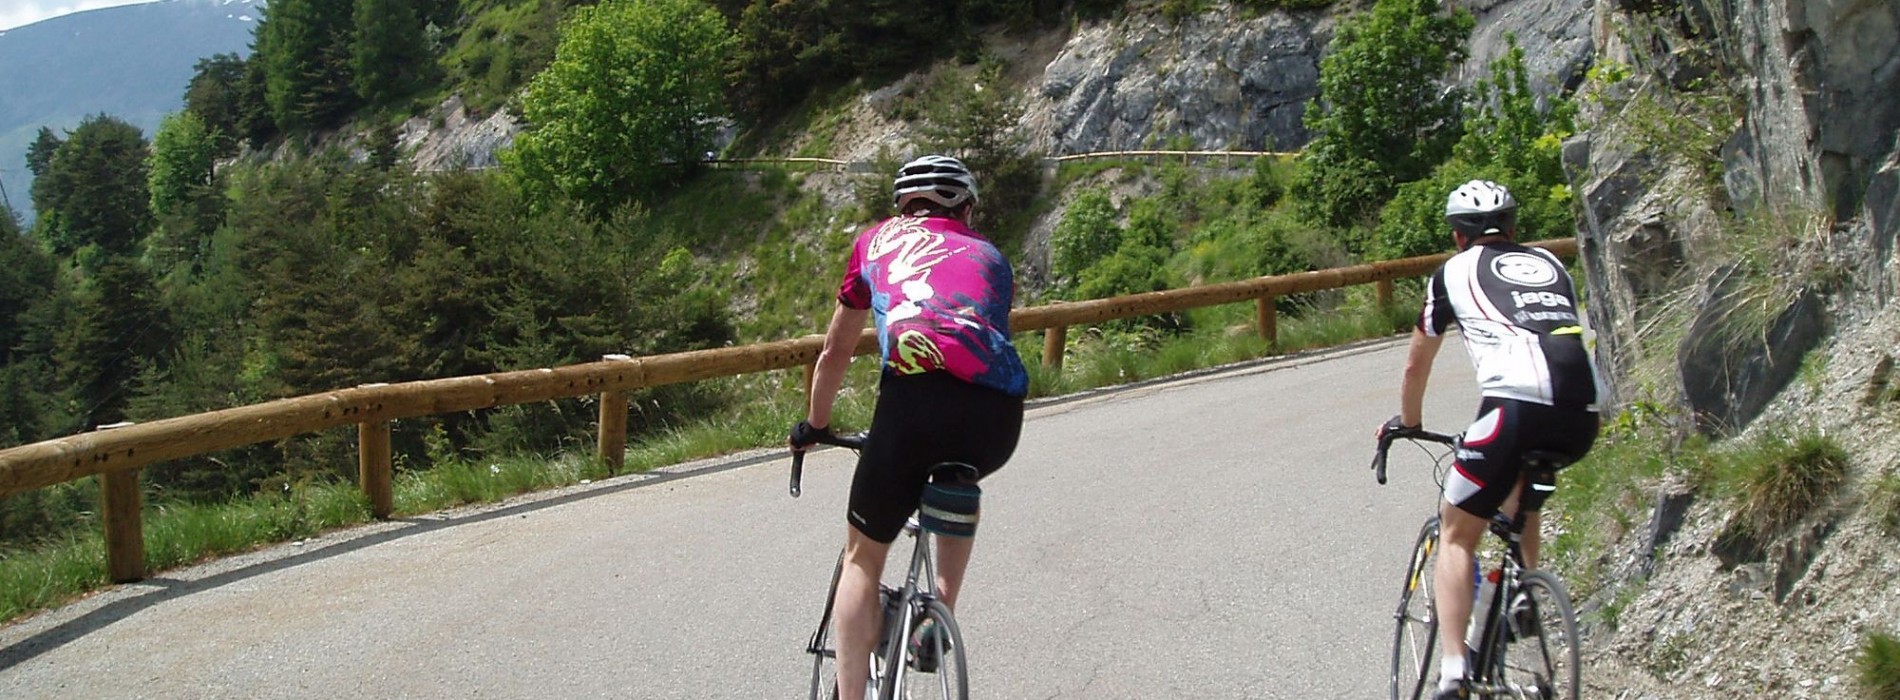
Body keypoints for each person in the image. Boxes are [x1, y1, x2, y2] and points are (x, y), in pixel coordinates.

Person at [790, 154, 1028, 700]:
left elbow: (836, 349)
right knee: (957, 472)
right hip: (997, 418)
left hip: (913, 404)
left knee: (863, 560)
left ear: (902, 206)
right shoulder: (991, 255)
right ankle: (940, 609)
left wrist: (814, 424)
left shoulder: (875, 242)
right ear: (966, 208)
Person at [1376, 180, 1602, 700]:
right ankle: (1525, 591)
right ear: (1515, 227)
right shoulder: (1552, 265)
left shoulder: (1452, 273)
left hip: (1513, 407)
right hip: (1582, 411)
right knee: (1521, 499)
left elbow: (1416, 362)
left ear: (1457, 236)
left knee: (1457, 535)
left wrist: (1408, 422)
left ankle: (1454, 670)